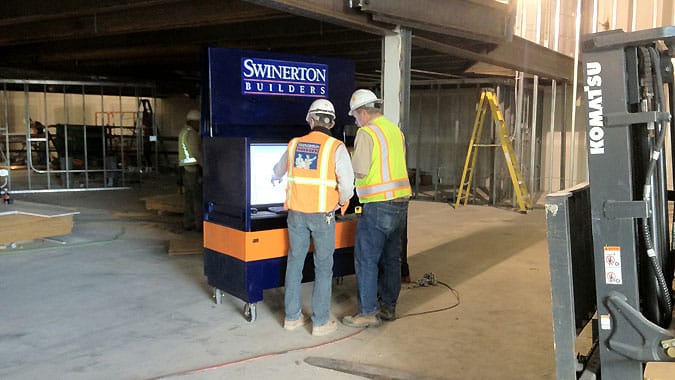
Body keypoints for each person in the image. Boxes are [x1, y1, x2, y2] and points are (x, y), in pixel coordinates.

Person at [272, 99, 354, 336]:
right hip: (323, 217)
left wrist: (275, 177)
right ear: (332, 122)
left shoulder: (295, 144)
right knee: (323, 267)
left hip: (296, 215)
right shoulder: (335, 147)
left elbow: (278, 171)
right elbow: (347, 185)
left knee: (295, 263)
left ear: (310, 120)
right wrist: (340, 202)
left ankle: (292, 317)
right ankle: (319, 323)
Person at [342, 89, 412, 327]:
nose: (355, 120)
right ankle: (388, 308)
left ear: (363, 112)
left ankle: (367, 312)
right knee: (392, 258)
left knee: (366, 259)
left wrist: (345, 162)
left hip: (378, 204)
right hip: (401, 202)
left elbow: (360, 170)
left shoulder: (366, 132)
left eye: (354, 116)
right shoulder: (395, 130)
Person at [178, 109, 203, 231]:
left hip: (185, 169)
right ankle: (200, 225)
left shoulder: (183, 132)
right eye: (198, 122)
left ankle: (188, 222)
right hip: (193, 170)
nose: (199, 125)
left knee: (188, 198)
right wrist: (205, 167)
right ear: (193, 122)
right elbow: (196, 153)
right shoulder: (192, 134)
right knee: (198, 198)